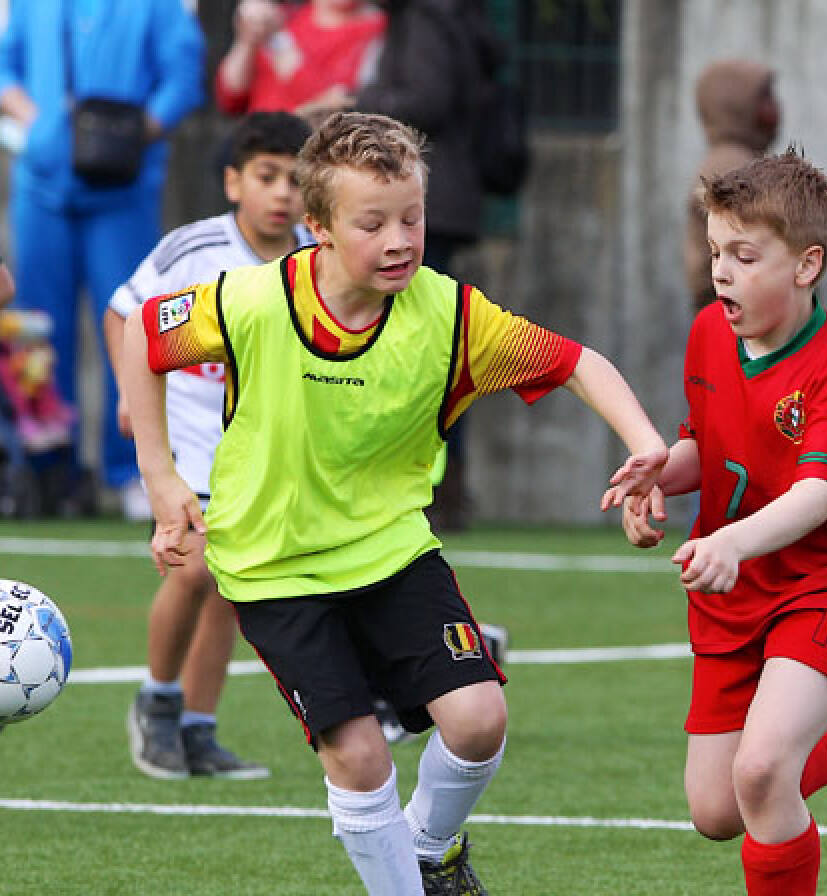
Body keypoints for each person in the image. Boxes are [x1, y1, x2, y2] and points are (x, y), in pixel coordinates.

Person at [119, 111, 669, 896]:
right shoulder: (250, 300)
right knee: (360, 753)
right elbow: (144, 335)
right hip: (275, 568)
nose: (400, 240)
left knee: (479, 720)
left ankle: (432, 847)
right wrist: (161, 476)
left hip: (394, 551)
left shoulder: (450, 314)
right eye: (372, 223)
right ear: (318, 228)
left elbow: (578, 362)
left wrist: (646, 447)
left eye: (411, 217)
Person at [604, 149, 827, 896]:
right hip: (738, 591)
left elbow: (819, 496)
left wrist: (731, 542)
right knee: (716, 809)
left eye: (745, 256)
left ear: (807, 265)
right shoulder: (710, 333)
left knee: (761, 768)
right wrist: (655, 479)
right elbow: (707, 445)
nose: (722, 272)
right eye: (716, 252)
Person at [103, 111, 314, 780]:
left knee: (230, 585)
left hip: (258, 445)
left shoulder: (319, 257)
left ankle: (198, 728)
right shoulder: (194, 249)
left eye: (295, 180)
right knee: (193, 567)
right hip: (187, 430)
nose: (281, 193)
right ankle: (157, 702)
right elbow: (124, 311)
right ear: (232, 182)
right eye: (266, 176)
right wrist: (128, 394)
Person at [0, 0, 205, 518]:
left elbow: (183, 77)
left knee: (132, 323)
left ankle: (133, 468)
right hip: (42, 186)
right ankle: (49, 467)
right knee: (37, 331)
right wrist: (40, 124)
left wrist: (132, 134)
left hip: (123, 190)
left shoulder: (158, 6)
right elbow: (6, 66)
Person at [356, 0, 500, 530]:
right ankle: (440, 486)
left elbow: (426, 101)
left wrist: (359, 103)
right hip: (436, 204)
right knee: (433, 345)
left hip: (422, 205)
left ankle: (433, 487)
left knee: (420, 349)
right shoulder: (442, 15)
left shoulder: (425, 18)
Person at [683, 59, 780, 314]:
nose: (776, 107)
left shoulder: (738, 160)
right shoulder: (734, 169)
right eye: (765, 98)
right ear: (736, 107)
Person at [215, 0, 386, 119]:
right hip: (259, 145)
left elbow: (336, 105)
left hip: (313, 151)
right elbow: (231, 97)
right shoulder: (286, 16)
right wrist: (247, 39)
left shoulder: (378, 29)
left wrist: (278, 40)